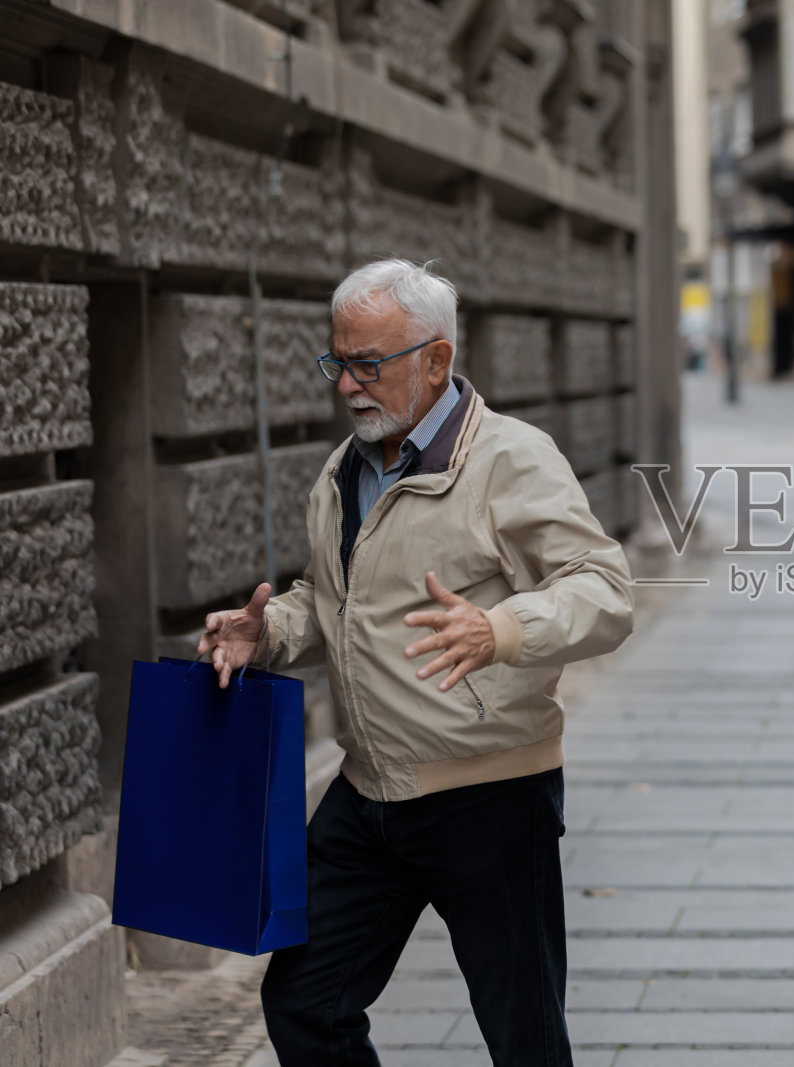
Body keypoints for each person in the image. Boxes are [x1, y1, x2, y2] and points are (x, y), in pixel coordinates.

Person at [199, 258, 634, 1066]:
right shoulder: (342, 471)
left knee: (525, 1035)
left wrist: (500, 629)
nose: (347, 386)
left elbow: (606, 590)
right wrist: (272, 634)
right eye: (339, 361)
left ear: (436, 360)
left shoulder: (511, 459)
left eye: (370, 364)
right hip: (366, 798)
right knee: (304, 999)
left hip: (490, 796)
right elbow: (334, 597)